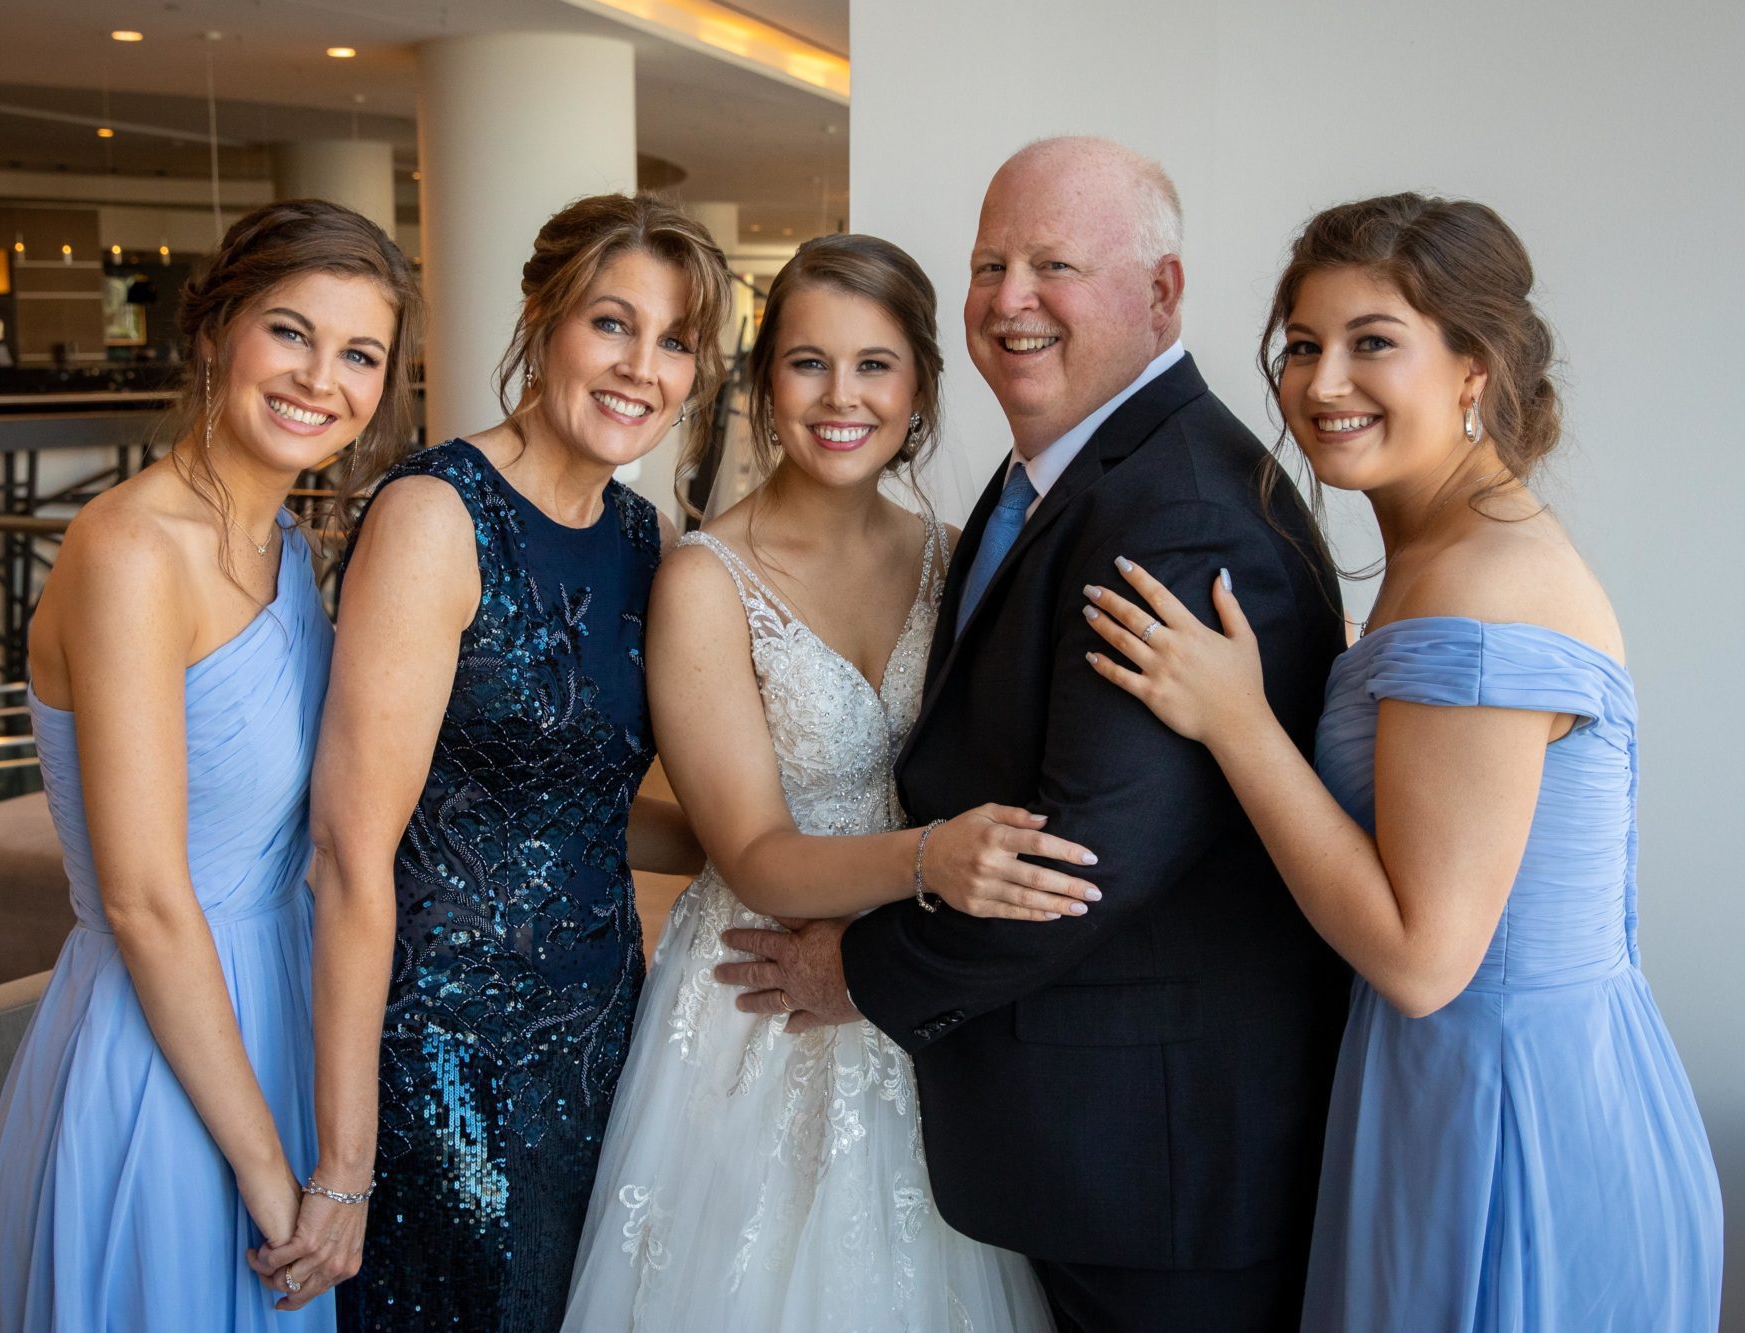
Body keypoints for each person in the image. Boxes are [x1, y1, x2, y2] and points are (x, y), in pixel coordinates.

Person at [720, 137, 1352, 1331]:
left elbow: (1083, 858)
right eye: (988, 265)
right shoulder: (1059, 478)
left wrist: (852, 970)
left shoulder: (1175, 512)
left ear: (1160, 292)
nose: (1010, 300)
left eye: (1053, 265)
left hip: (1156, 1166)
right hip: (1069, 1138)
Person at [1079, 192, 1724, 1330]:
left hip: (1505, 1119)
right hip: (1482, 1085)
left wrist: (1237, 723)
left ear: (1475, 368)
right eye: (1301, 346)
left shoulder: (1478, 595)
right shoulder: (1450, 552)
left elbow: (1424, 961)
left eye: (1371, 342)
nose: (1323, 382)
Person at [563, 234, 1075, 1332]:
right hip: (760, 999)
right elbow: (750, 853)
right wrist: (935, 858)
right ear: (763, 384)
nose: (842, 396)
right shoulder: (704, 580)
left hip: (920, 989)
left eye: (874, 364)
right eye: (807, 362)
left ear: (919, 385)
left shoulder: (958, 556)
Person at [0, 198, 421, 1331]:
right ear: (217, 332)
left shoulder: (285, 543)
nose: (320, 378)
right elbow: (143, 898)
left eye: (359, 354)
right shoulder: (130, 548)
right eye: (290, 332)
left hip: (276, 1009)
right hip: (163, 1053)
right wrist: (273, 1171)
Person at [299, 193, 730, 1332]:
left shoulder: (641, 537)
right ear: (541, 319)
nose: (641, 368)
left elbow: (580, 802)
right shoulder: (436, 516)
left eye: (675, 341)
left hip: (602, 1039)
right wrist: (342, 1163)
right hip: (443, 1052)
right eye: (611, 323)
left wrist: (770, 858)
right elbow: (347, 851)